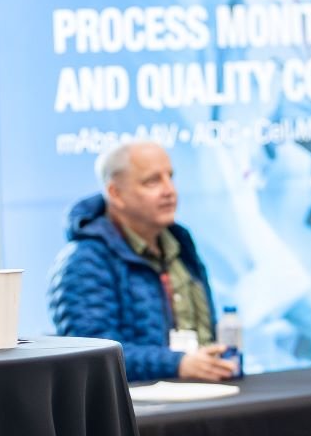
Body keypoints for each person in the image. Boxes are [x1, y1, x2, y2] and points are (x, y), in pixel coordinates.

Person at [46, 141, 237, 384]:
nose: (170, 190)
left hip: (206, 396)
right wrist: (177, 363)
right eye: (152, 181)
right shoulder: (84, 260)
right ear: (115, 193)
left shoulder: (180, 245)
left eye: (170, 177)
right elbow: (92, 354)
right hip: (135, 411)